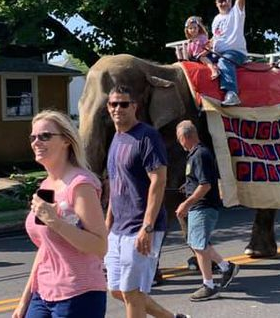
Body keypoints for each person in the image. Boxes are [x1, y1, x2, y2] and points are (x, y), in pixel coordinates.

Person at [103, 85, 190, 318]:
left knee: (132, 292)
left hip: (141, 226)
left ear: (135, 107)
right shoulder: (117, 138)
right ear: (108, 107)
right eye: (113, 104)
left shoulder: (147, 136)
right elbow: (116, 184)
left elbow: (158, 181)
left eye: (123, 104)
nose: (118, 108)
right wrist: (107, 221)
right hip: (118, 228)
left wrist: (147, 226)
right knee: (116, 290)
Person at [13, 110, 108, 318]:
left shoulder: (80, 184)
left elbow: (100, 246)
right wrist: (24, 301)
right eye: (33, 137)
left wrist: (55, 222)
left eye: (45, 136)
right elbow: (45, 248)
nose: (36, 142)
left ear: (66, 140)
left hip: (79, 294)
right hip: (43, 292)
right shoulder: (46, 186)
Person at [175, 120, 239, 302]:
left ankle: (209, 286)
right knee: (199, 243)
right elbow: (200, 180)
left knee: (198, 246)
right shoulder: (197, 154)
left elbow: (205, 185)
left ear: (184, 137)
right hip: (200, 206)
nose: (180, 143)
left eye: (179, 139)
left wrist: (186, 203)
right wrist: (187, 186)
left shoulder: (199, 155)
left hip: (202, 207)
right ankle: (226, 268)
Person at [211, 0, 254, 106]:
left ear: (230, 1)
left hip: (234, 54)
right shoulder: (216, 19)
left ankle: (232, 93)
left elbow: (240, 1)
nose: (223, 3)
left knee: (224, 62)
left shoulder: (236, 13)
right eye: (220, 1)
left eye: (225, 0)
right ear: (216, 3)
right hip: (216, 53)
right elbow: (216, 37)